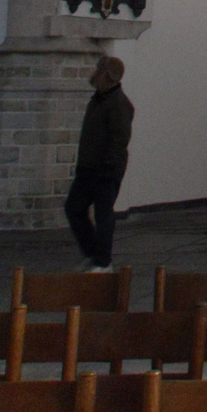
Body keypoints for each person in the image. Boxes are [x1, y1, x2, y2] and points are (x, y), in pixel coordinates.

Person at [64, 56, 134, 271]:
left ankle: (104, 262)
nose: (94, 74)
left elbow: (119, 140)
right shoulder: (97, 99)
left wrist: (107, 168)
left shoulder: (120, 104)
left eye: (99, 70)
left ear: (108, 75)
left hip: (105, 170)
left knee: (104, 216)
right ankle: (93, 252)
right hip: (87, 168)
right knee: (73, 209)